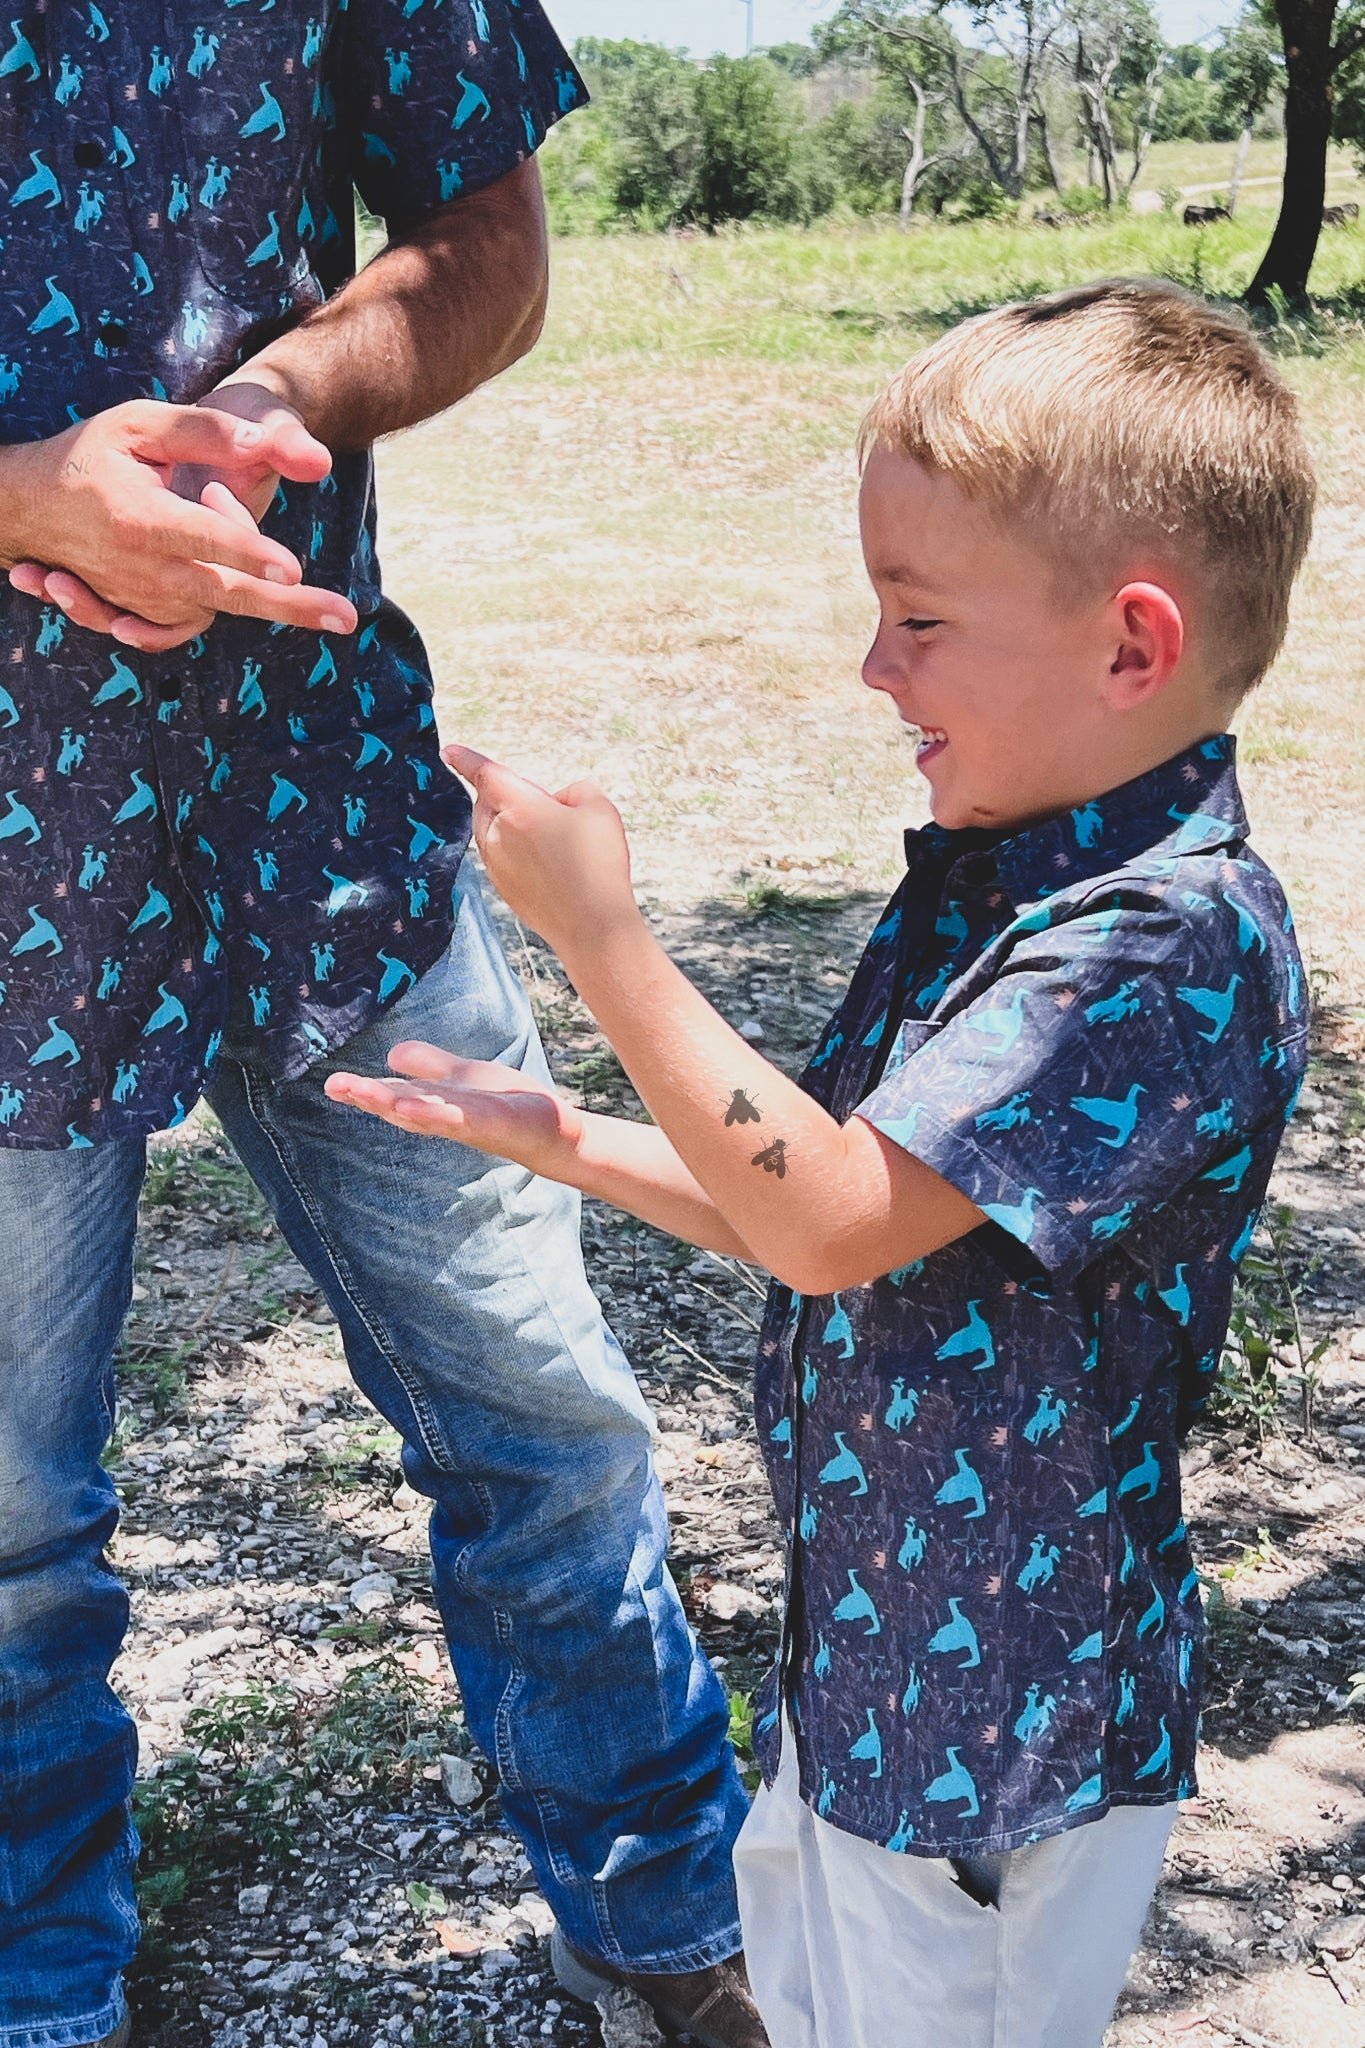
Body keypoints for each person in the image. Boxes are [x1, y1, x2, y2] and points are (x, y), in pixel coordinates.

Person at [328, 279, 1316, 2047]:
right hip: (872, 1679)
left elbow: (827, 1220)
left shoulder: (1163, 946)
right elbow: (844, 1202)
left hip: (991, 1756)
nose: (873, 669)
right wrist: (562, 1137)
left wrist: (605, 941)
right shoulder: (1017, 873)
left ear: (1130, 645)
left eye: (918, 619)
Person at [0, 10, 762, 2048]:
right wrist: (26, 495)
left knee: (545, 1407)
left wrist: (275, 390)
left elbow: (484, 235)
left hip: (311, 810)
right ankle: (38, 1988)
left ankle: (674, 1926)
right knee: (1, 1529)